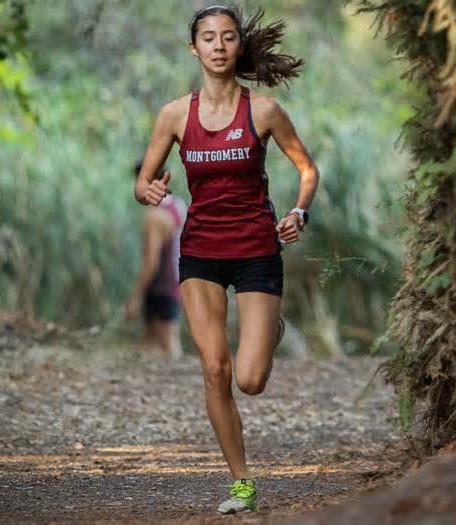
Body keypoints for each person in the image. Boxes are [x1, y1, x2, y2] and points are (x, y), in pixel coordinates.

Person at [134, 5, 319, 514]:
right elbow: (142, 181)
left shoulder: (263, 112)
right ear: (194, 48)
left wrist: (300, 213)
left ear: (239, 47)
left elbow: (306, 168)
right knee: (215, 369)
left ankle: (270, 329)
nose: (218, 46)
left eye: (228, 37)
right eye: (208, 38)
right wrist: (148, 191)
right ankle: (241, 482)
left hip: (258, 250)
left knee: (249, 379)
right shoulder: (174, 115)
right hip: (201, 254)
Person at [125, 160, 187, 358]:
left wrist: (135, 297)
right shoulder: (178, 205)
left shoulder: (155, 216)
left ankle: (186, 386)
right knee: (149, 340)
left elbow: (151, 262)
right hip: (177, 281)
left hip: (162, 286)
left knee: (170, 346)